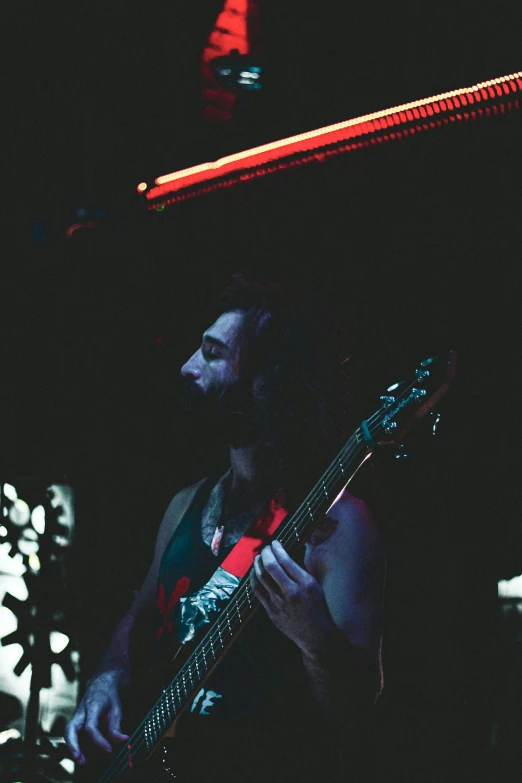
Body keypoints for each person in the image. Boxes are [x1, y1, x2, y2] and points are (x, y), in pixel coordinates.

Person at [65, 275, 386, 782]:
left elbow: (355, 710)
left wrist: (314, 636)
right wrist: (108, 674)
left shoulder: (337, 524)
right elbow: (141, 611)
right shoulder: (185, 505)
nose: (186, 367)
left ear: (267, 380)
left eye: (212, 353)